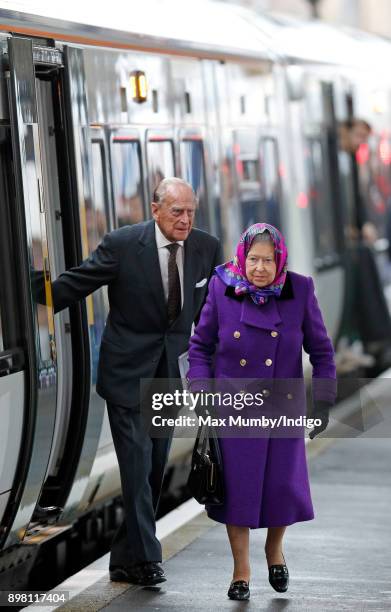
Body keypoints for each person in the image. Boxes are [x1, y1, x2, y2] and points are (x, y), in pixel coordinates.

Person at [50, 177, 222, 586]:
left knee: (152, 469)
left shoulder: (206, 247)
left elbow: (214, 312)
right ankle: (147, 559)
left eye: (191, 212)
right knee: (135, 462)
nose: (185, 220)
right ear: (156, 209)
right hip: (127, 374)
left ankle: (125, 559)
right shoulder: (124, 244)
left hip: (167, 376)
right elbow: (75, 285)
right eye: (177, 212)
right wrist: (27, 297)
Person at [187, 223, 336, 601]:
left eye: (268, 261)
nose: (259, 268)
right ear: (242, 257)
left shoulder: (299, 289)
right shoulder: (222, 287)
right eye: (253, 259)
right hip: (234, 408)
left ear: (280, 260)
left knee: (280, 488)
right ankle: (241, 571)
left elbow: (321, 351)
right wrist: (202, 393)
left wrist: (323, 402)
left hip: (282, 407)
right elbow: (200, 347)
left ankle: (274, 549)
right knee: (237, 491)